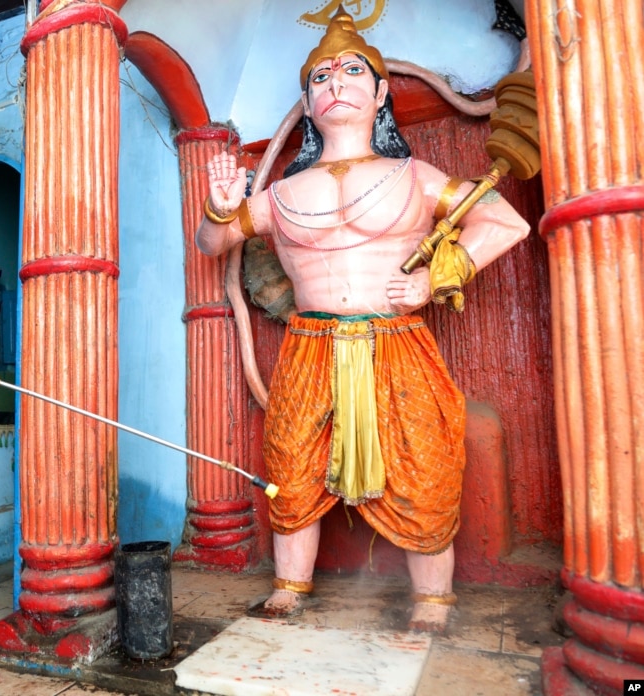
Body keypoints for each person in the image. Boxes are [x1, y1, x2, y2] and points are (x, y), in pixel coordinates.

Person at [196, 9, 530, 632]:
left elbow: (506, 224)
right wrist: (219, 212)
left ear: (379, 92)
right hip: (311, 342)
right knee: (292, 458)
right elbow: (213, 246)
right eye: (320, 76)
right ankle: (290, 586)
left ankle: (432, 599)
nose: (335, 82)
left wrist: (435, 279)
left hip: (398, 338)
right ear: (308, 100)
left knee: (423, 459)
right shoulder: (279, 195)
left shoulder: (415, 177)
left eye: (353, 70)